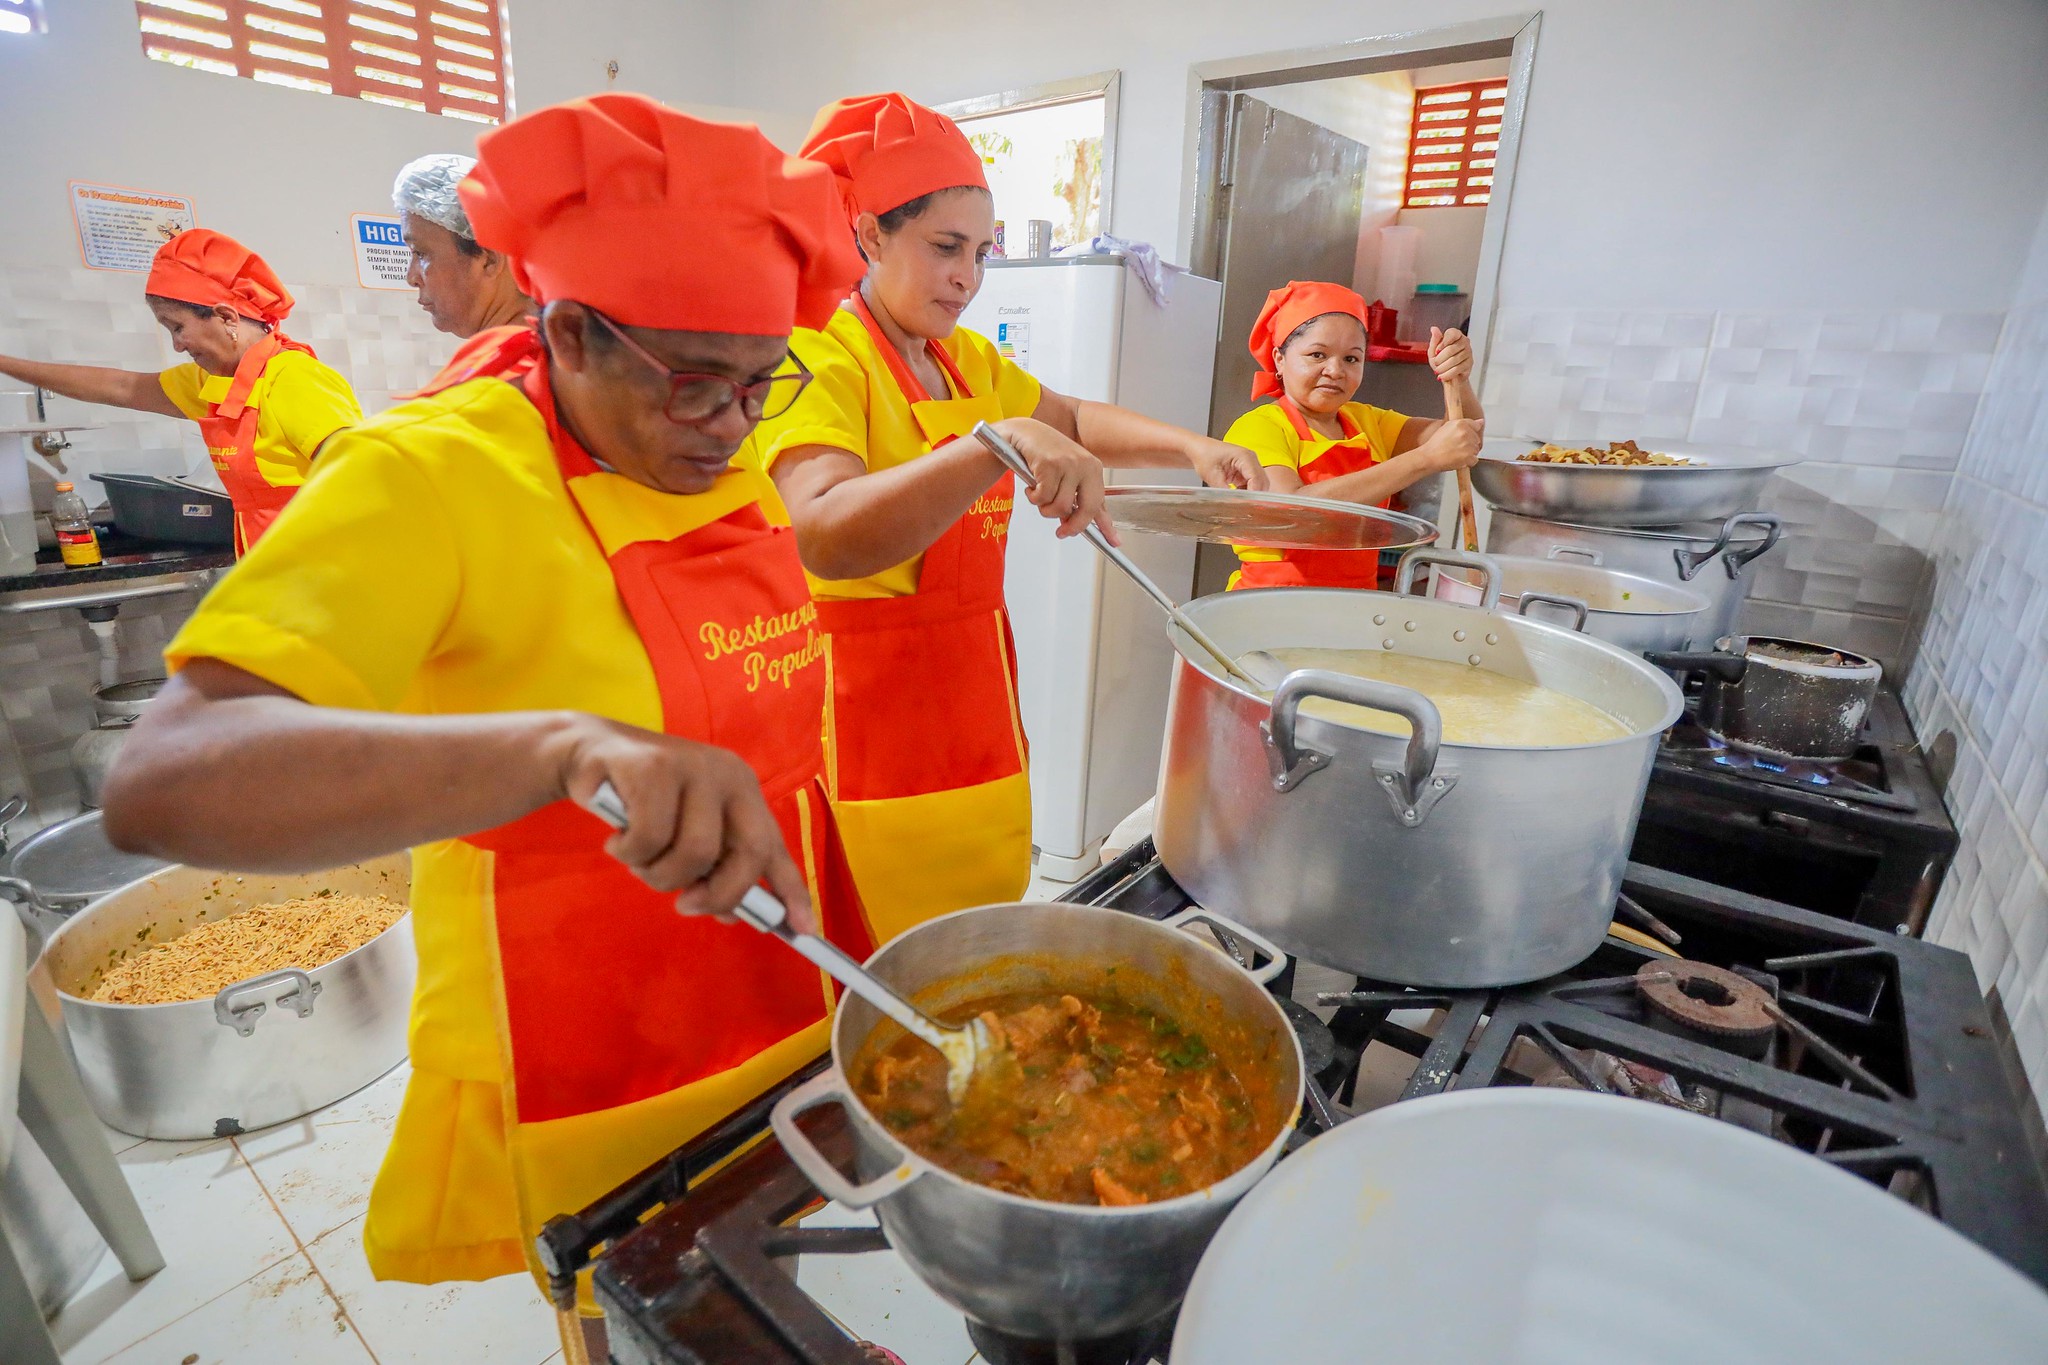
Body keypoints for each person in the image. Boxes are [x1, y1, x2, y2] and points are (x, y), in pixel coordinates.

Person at [100, 94, 873, 1352]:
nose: (735, 426)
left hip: (770, 961)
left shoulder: (716, 448)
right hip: (572, 1007)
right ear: (568, 333)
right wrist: (560, 749)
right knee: (627, 1295)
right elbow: (164, 780)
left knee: (758, 1244)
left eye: (758, 383)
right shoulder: (430, 469)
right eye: (695, 386)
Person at [750, 92, 1266, 946]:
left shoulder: (964, 362)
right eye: (945, 246)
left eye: (982, 252)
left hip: (975, 700)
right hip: (866, 717)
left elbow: (1071, 419)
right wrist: (993, 443)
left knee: (977, 935)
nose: (969, 276)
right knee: (878, 953)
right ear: (870, 235)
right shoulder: (817, 356)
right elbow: (824, 532)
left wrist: (1193, 447)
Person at [0, 229, 362, 553]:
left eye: (178, 327)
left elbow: (364, 476)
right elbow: (119, 387)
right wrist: (6, 364)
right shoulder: (213, 382)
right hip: (274, 568)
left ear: (226, 317)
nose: (177, 345)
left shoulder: (293, 377)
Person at [1223, 280, 1483, 590]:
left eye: (1351, 359)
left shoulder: (1367, 422)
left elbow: (1463, 436)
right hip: (1271, 603)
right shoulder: (1259, 427)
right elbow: (1293, 514)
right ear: (1280, 358)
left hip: (1354, 602)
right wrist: (1424, 459)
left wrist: (1458, 378)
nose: (1335, 371)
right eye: (1317, 355)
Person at [392, 152, 535, 337]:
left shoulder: (520, 353)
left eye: (420, 253)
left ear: (488, 260)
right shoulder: (552, 343)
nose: (411, 278)